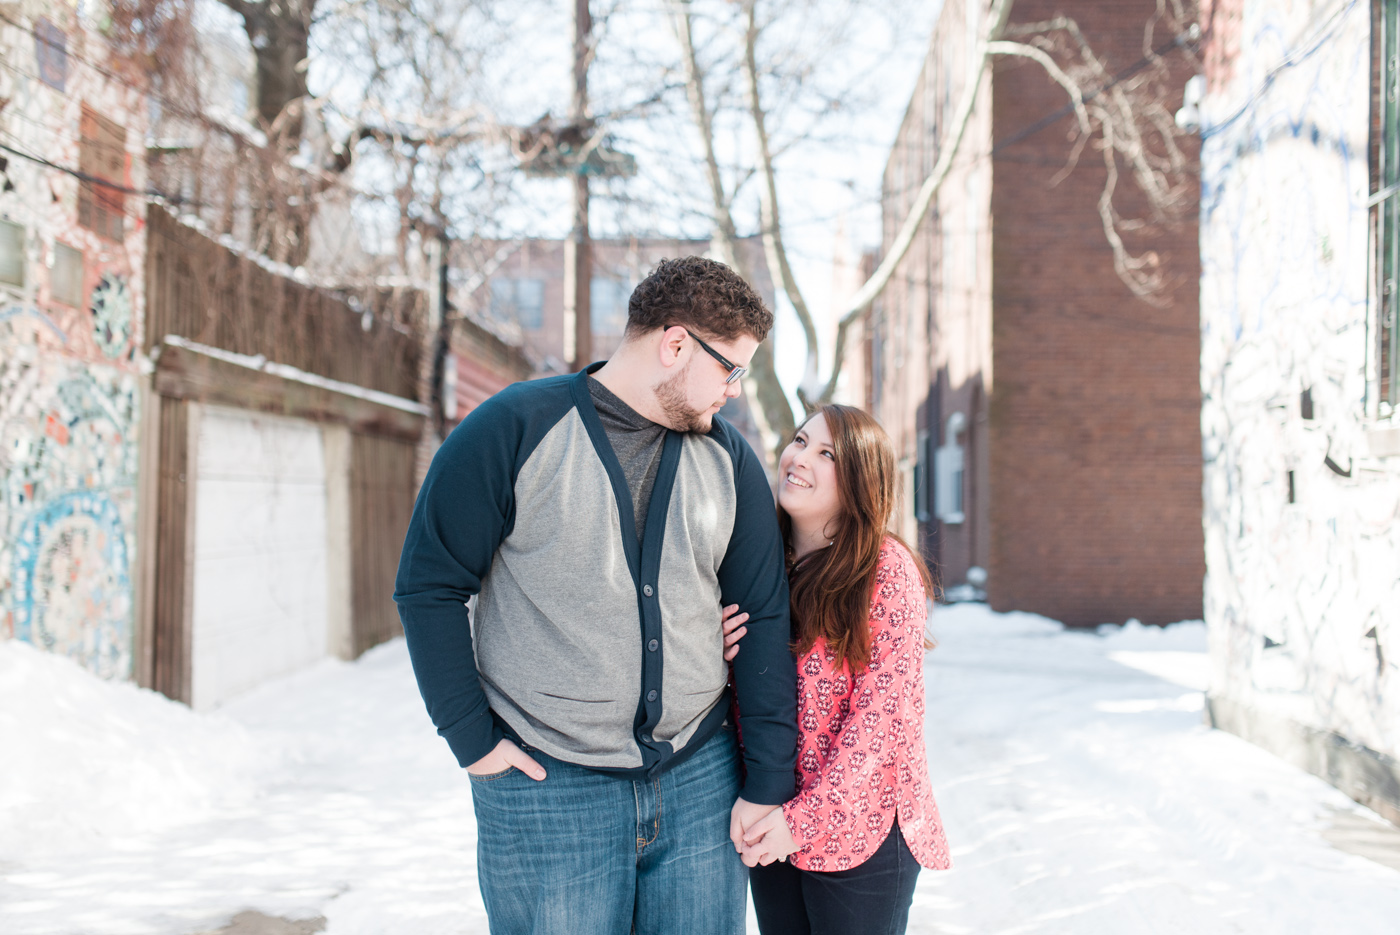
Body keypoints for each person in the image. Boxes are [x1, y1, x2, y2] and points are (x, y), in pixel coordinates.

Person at [393, 255, 798, 935]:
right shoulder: (513, 428)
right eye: (730, 368)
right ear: (675, 345)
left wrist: (765, 783)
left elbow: (762, 617)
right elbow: (429, 584)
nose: (733, 390)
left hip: (699, 777)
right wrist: (472, 740)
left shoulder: (730, 462)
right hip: (547, 786)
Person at [724, 404, 951, 935]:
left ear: (858, 482)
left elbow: (880, 727)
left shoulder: (884, 571)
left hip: (859, 836)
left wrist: (797, 823)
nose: (799, 458)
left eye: (826, 453)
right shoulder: (760, 561)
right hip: (773, 819)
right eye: (800, 441)